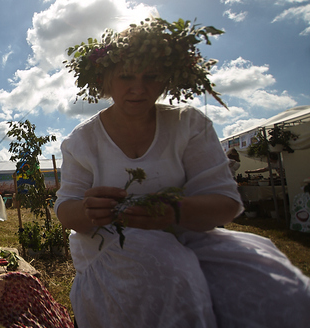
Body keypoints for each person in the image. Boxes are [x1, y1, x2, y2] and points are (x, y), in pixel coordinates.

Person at [56, 17, 310, 327]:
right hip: (110, 245)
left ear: (168, 79)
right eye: (125, 77)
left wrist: (174, 212)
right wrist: (89, 210)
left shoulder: (188, 124)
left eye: (151, 76)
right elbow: (66, 211)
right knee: (167, 266)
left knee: (272, 287)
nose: (139, 88)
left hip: (189, 235)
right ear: (105, 81)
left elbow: (225, 202)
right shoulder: (82, 141)